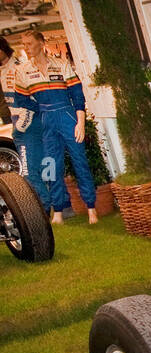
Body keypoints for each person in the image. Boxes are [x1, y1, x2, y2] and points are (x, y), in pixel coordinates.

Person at [11, 30, 97, 224]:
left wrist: (80, 122)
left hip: (68, 117)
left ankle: (91, 208)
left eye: (30, 43)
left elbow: (77, 95)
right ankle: (57, 211)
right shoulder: (23, 71)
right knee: (50, 166)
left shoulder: (62, 65)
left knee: (80, 162)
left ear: (41, 43)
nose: (26, 48)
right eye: (24, 44)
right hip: (46, 121)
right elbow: (20, 99)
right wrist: (40, 109)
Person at [0, 36, 51, 213]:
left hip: (28, 124)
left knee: (29, 170)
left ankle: (44, 209)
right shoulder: (5, 69)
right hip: (29, 122)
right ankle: (60, 207)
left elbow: (29, 102)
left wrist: (20, 127)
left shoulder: (17, 68)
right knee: (45, 164)